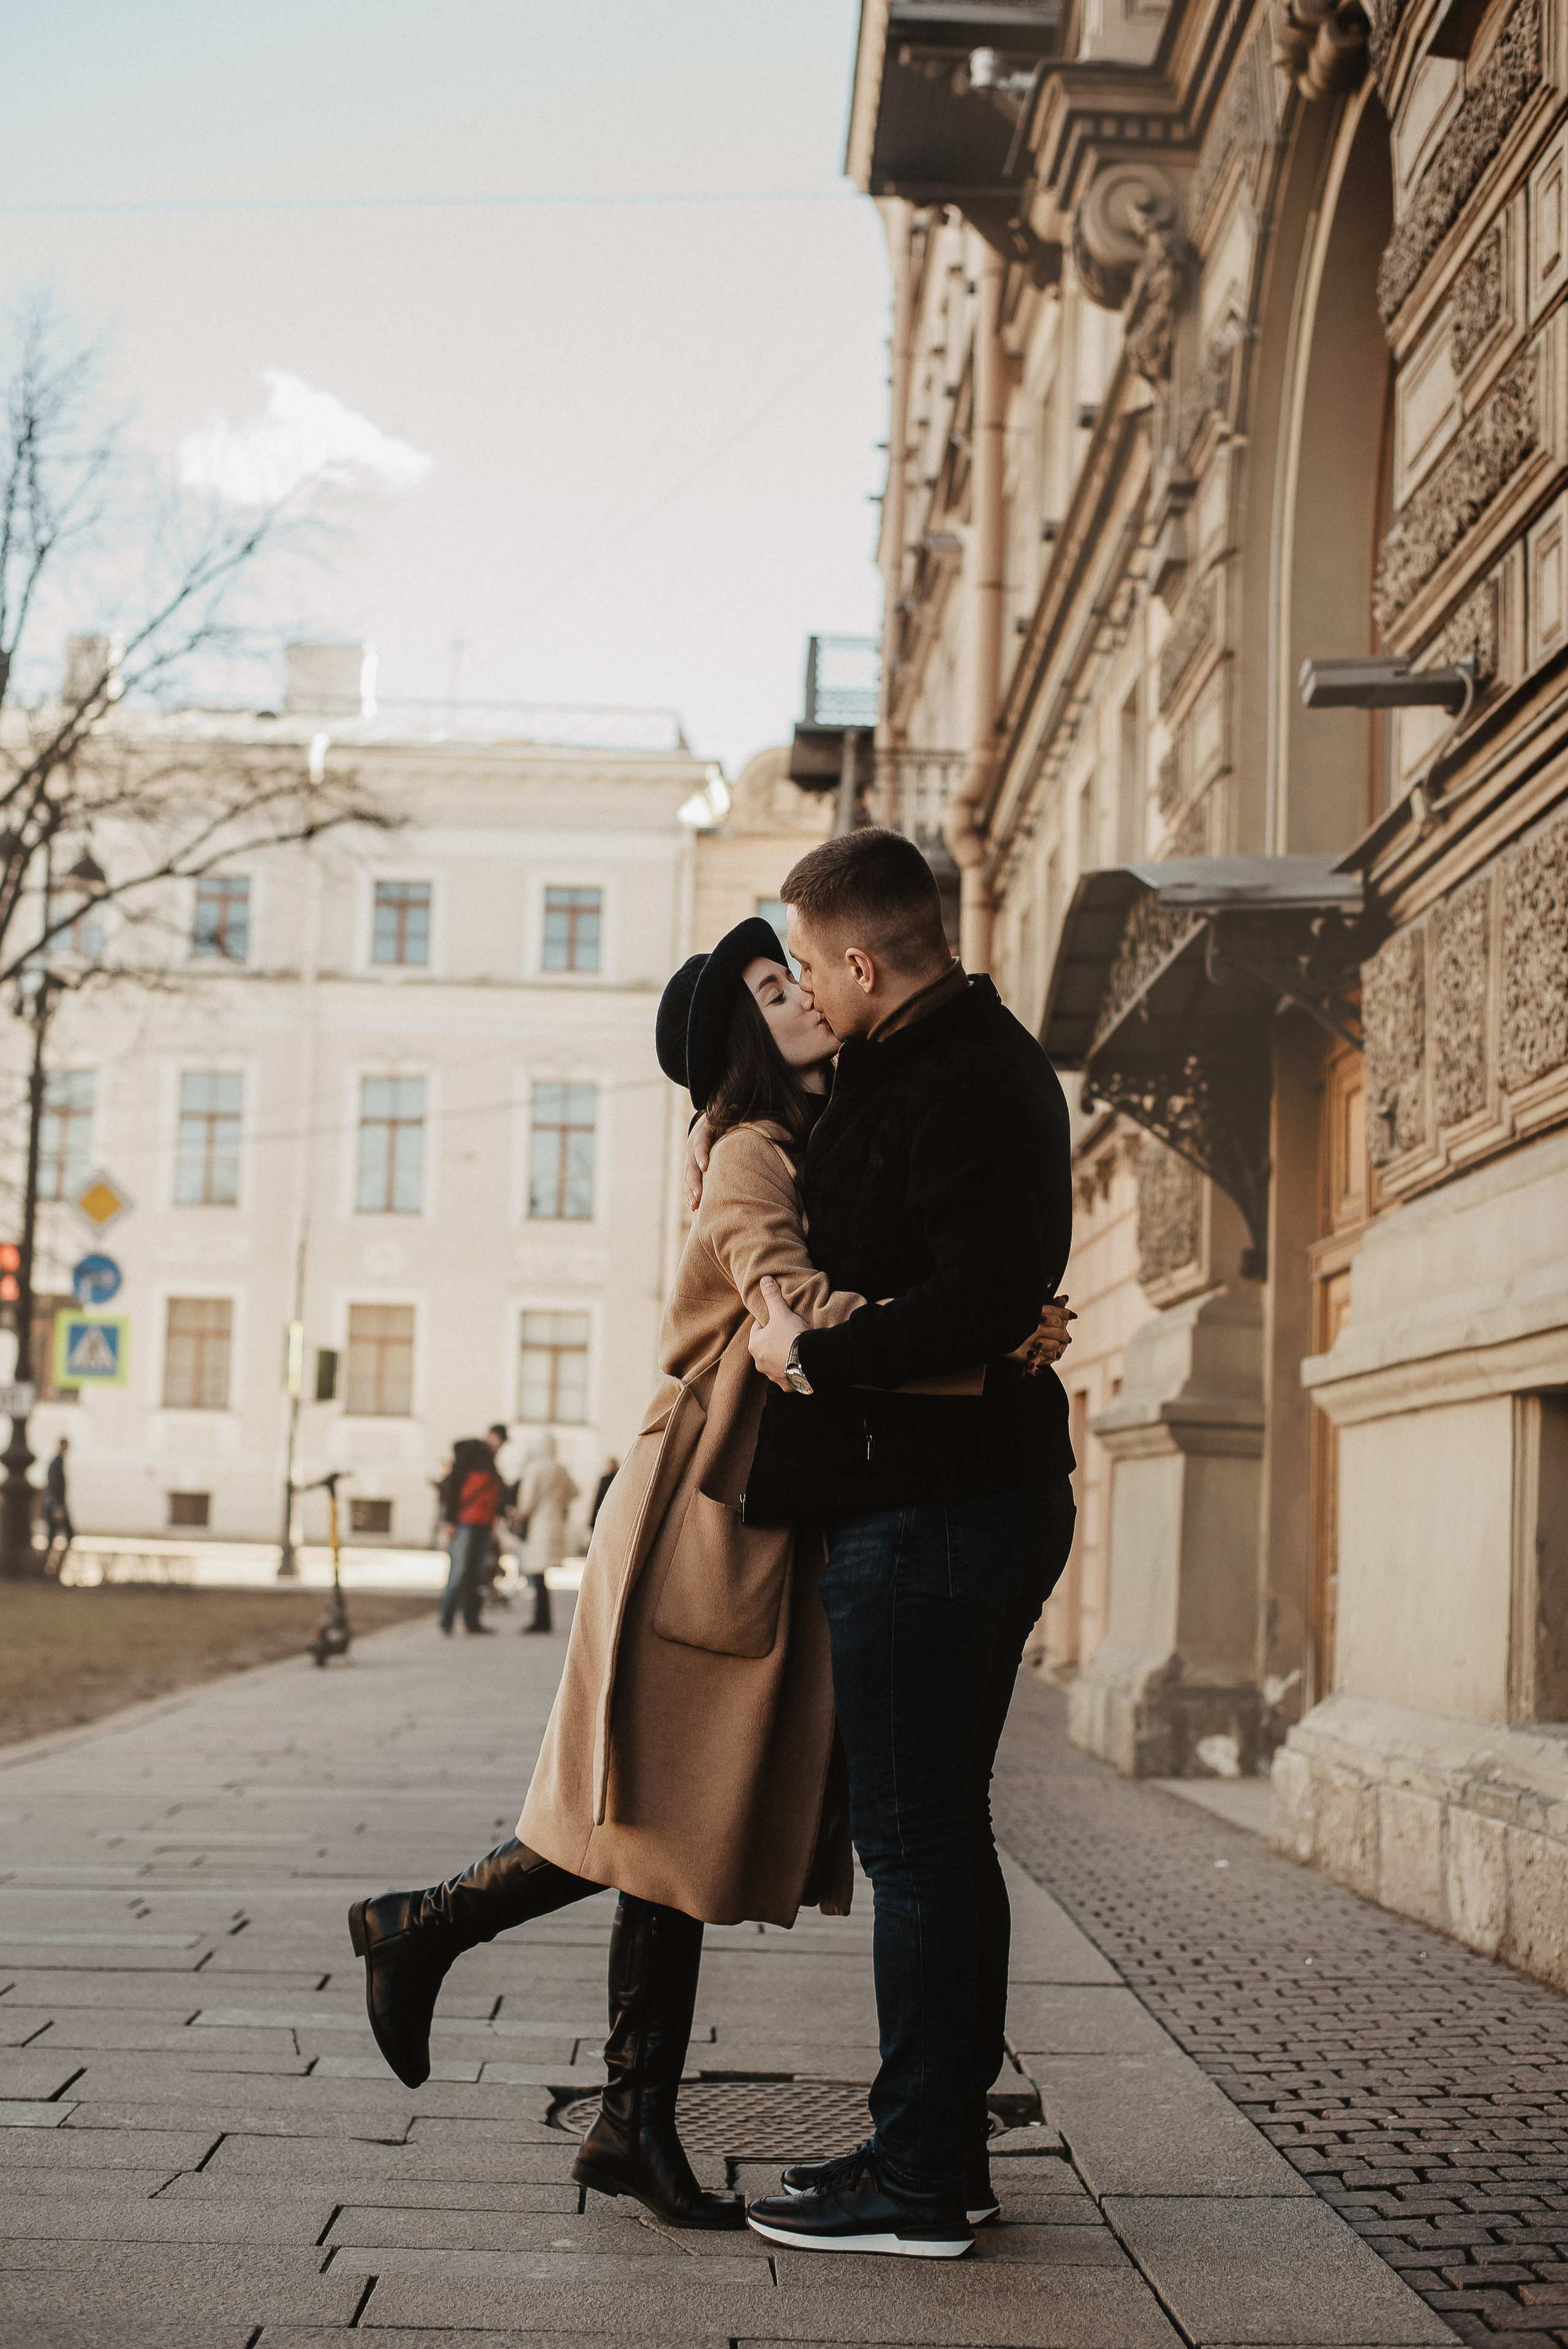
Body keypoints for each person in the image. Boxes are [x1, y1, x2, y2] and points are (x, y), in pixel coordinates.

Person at [349, 913, 1072, 2236]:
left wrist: (986, 1314)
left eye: (793, 972)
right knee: (659, 1811)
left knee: (677, 1821)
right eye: (767, 986)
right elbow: (783, 1297)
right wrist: (979, 1340)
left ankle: (617, 2108)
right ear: (740, 1033)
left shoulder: (820, 1136)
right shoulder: (747, 1152)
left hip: (769, 1505)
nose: (795, 992)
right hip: (703, 1508)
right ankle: (430, 1933)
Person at [687, 830, 1076, 2261]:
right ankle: (934, 2148)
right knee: (932, 1838)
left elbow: (976, 1288)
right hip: (933, 1497)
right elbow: (970, 1278)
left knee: (917, 1844)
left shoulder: (959, 1071)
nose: (803, 991)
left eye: (809, 965)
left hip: (940, 1507)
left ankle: (920, 2178)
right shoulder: (914, 1066)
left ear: (859, 960)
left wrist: (823, 1358)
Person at [435, 1425, 507, 1636]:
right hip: (464, 1522)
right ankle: (445, 1622)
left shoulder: (490, 1460)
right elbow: (453, 1486)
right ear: (491, 1436)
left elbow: (494, 1492)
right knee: (459, 1572)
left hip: (484, 1523)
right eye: (499, 1441)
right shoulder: (470, 1453)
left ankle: (471, 1622)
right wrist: (449, 1519)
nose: (499, 1446)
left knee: (476, 1575)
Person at [513, 1433, 578, 1635]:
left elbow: (527, 1501)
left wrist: (519, 1516)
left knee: (537, 1575)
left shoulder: (535, 1468)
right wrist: (560, 1504)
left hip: (539, 1525)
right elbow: (575, 1492)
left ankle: (541, 1621)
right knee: (541, 1576)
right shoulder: (560, 1468)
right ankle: (543, 1619)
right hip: (555, 1523)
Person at [42, 1436, 73, 1574]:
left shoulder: (57, 1462)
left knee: (53, 1536)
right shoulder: (57, 1463)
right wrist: (58, 1507)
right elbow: (54, 1486)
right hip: (56, 1506)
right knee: (65, 1535)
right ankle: (51, 1568)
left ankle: (48, 1568)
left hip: (55, 1505)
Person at [589, 1456, 619, 1530]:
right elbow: (598, 1500)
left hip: (609, 1512)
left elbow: (598, 1500)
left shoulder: (614, 1480)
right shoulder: (605, 1480)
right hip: (605, 1512)